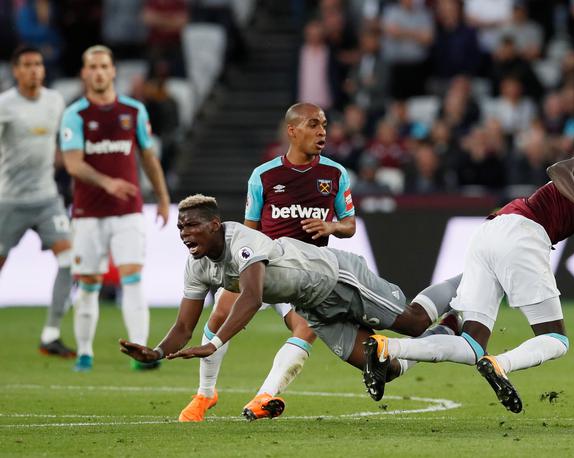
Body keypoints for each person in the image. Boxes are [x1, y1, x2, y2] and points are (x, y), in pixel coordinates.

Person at [363, 137, 574, 413]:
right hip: (524, 233)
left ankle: (386, 348)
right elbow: (558, 169)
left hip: (491, 232)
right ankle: (501, 364)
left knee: (472, 344)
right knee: (556, 340)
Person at [119, 194, 462, 414]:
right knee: (386, 370)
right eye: (180, 227)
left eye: (191, 225)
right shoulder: (197, 266)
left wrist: (215, 343)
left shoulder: (242, 241)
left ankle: (470, 279)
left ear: (214, 225)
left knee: (414, 322)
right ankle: (448, 328)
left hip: (337, 279)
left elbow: (252, 297)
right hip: (314, 308)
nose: (184, 233)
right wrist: (157, 353)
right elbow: (183, 326)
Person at [178, 102, 357, 422]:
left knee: (305, 328)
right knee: (220, 311)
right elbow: (249, 231)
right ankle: (205, 393)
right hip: (263, 265)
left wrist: (331, 226)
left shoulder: (335, 174)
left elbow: (349, 225)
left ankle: (265, 395)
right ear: (292, 131)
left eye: (325, 125)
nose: (322, 132)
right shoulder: (264, 175)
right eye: (314, 125)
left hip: (304, 274)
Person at [60, 45, 170, 372]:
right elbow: (73, 164)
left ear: (112, 71)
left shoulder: (133, 110)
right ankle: (84, 353)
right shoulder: (75, 114)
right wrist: (107, 183)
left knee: (132, 277)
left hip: (128, 212)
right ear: (84, 73)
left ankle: (140, 354)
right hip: (88, 213)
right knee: (90, 282)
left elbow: (148, 157)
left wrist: (163, 198)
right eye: (91, 66)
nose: (97, 72)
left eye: (103, 66)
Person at [0, 45, 74, 357]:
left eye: (38, 64)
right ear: (16, 71)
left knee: (70, 260)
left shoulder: (55, 101)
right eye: (27, 65)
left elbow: (59, 142)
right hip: (9, 200)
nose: (34, 70)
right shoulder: (4, 105)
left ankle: (50, 335)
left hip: (46, 198)